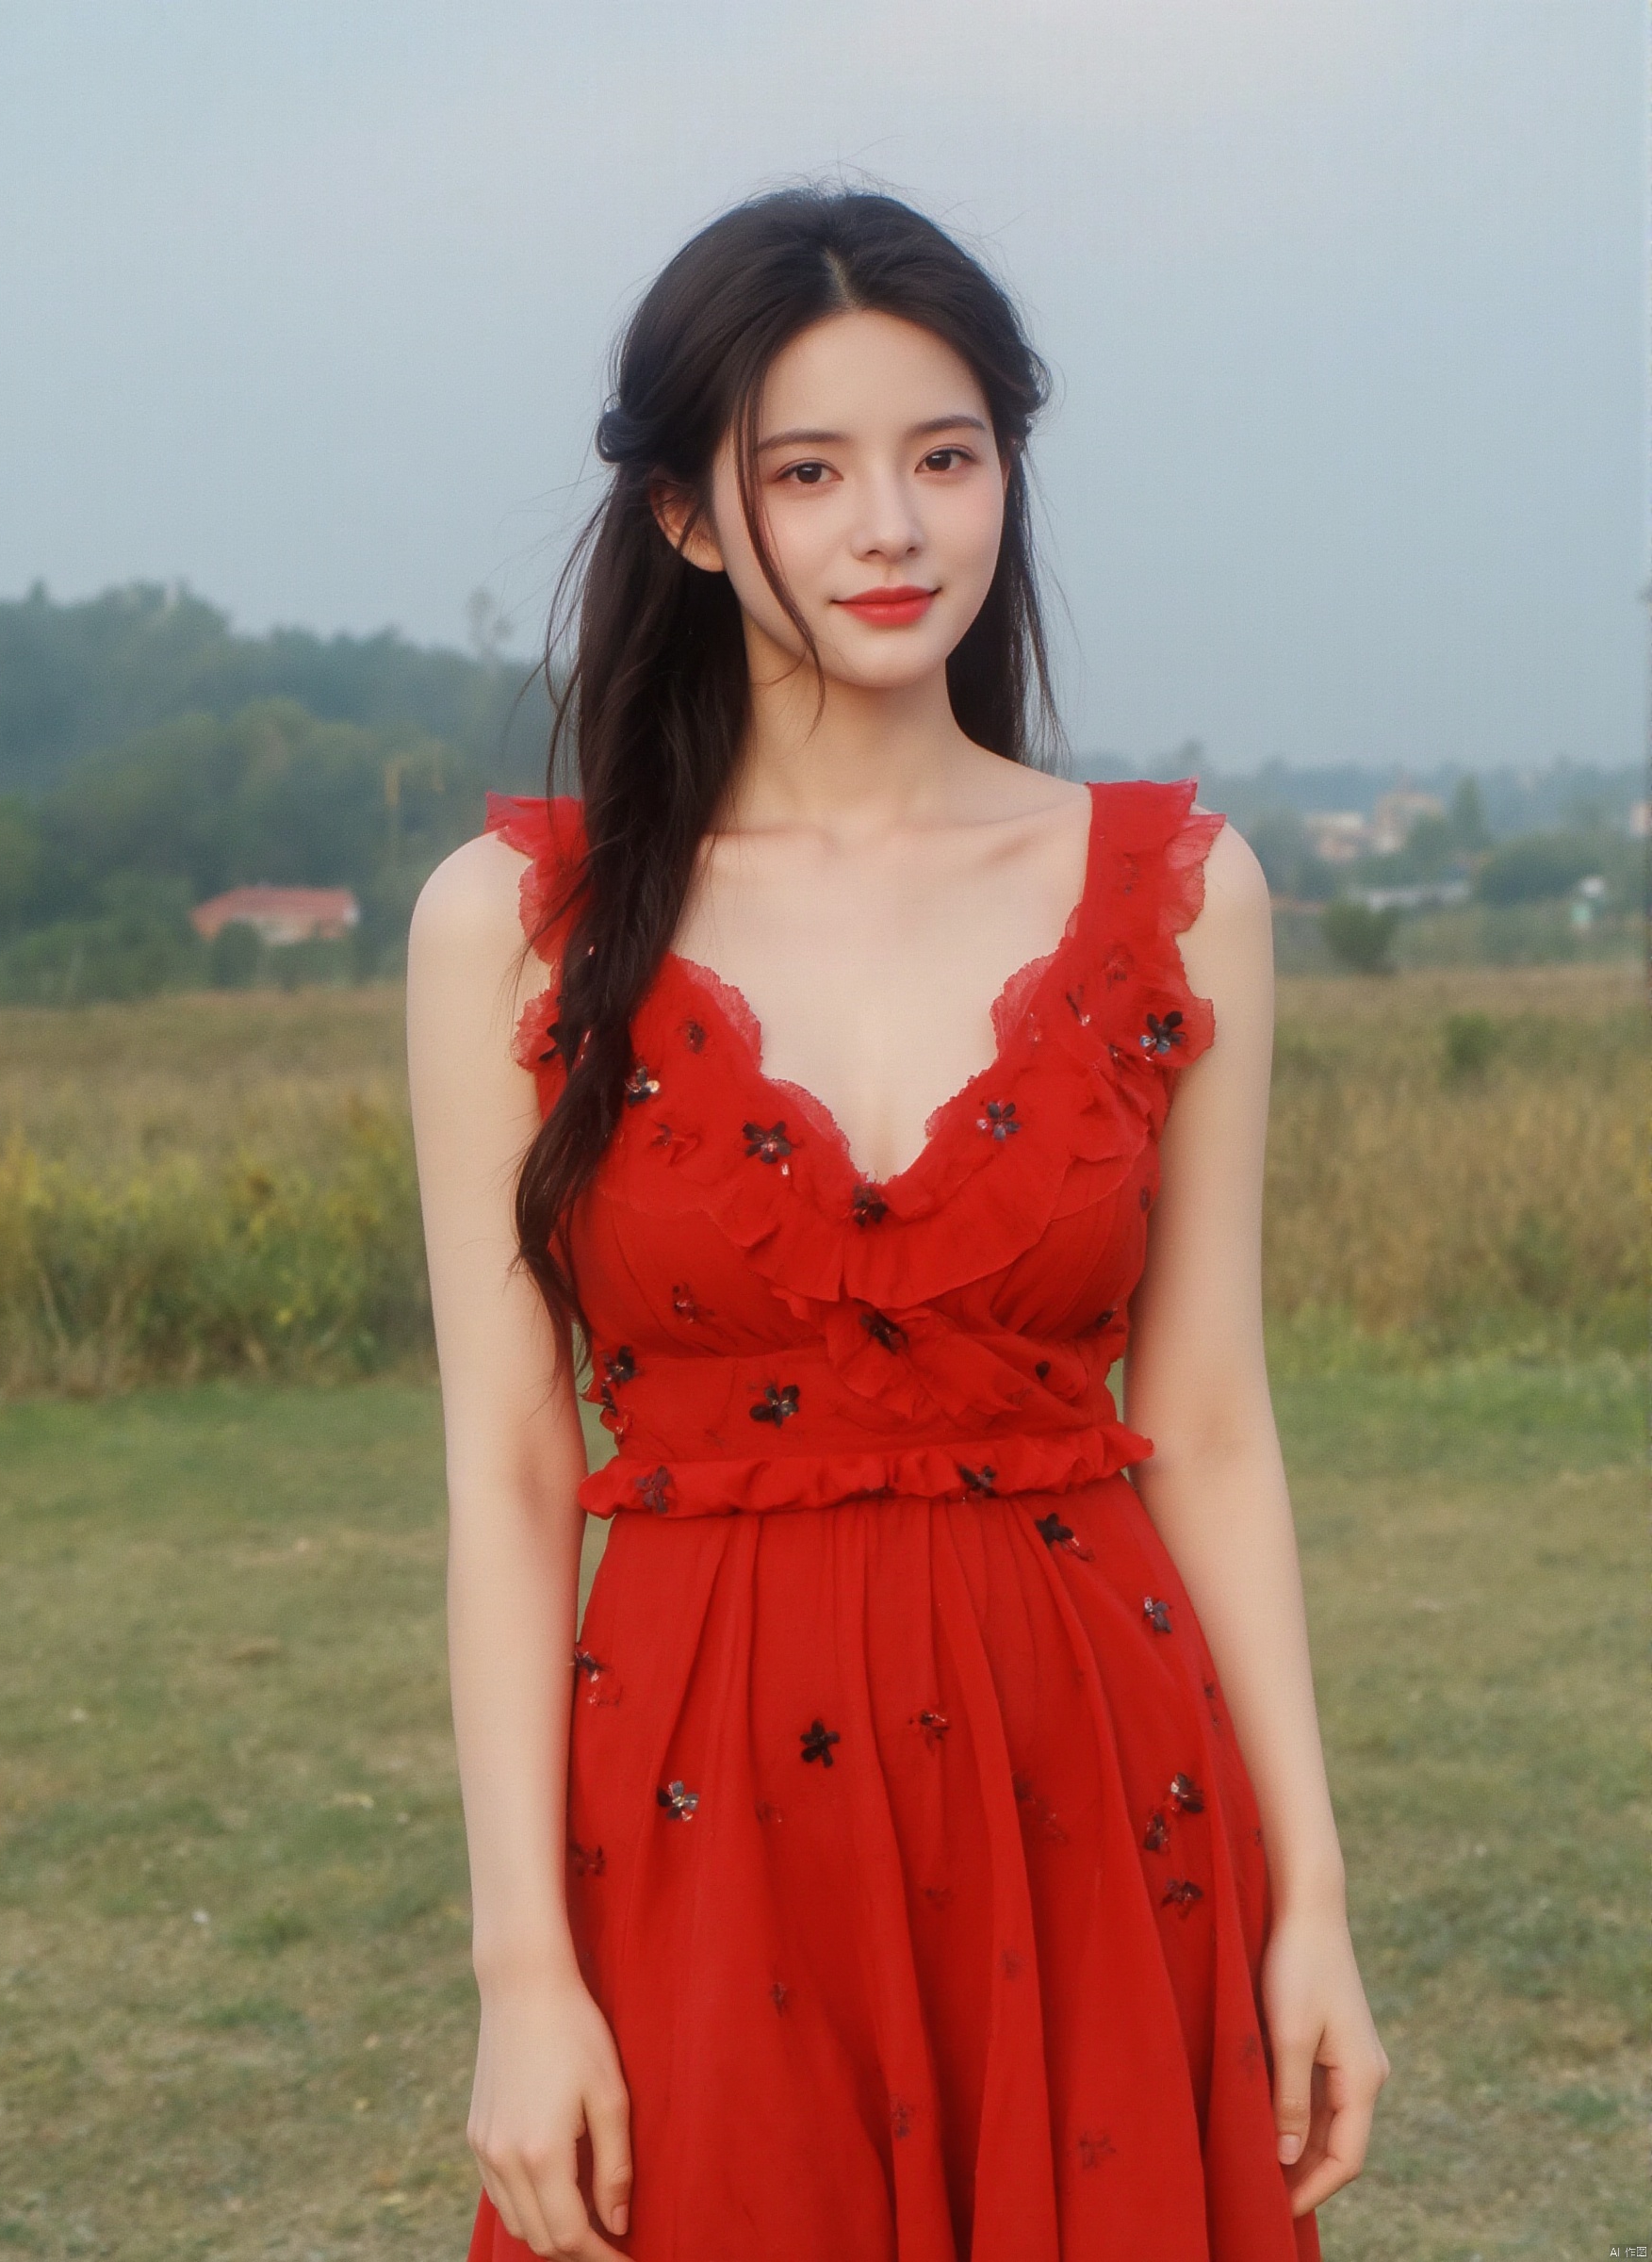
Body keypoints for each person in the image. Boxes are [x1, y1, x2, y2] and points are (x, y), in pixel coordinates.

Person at [406, 184, 1388, 2262]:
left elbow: (1204, 1422)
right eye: (811, 471)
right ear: (688, 515)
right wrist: (520, 1974)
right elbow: (508, 1469)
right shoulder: (517, 927)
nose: (893, 528)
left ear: (1007, 476)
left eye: (945, 458)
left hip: (1097, 1784)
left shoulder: (1177, 893)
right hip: (691, 1801)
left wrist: (1314, 1902)